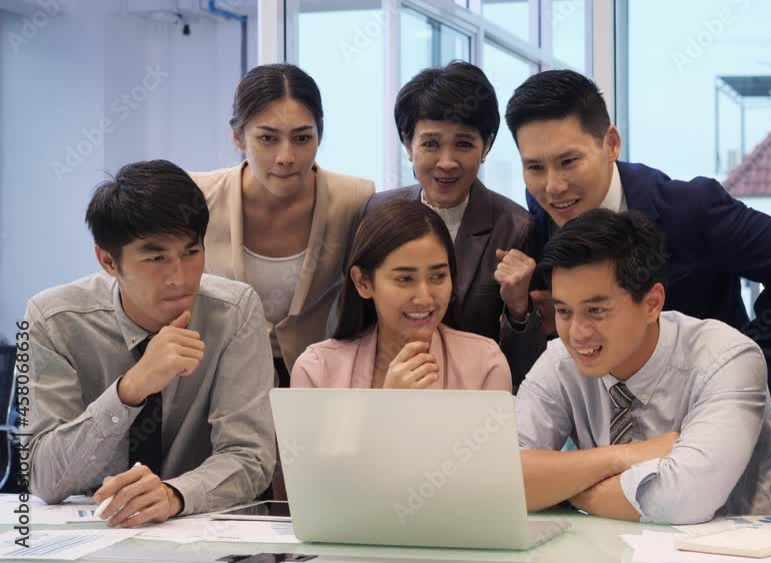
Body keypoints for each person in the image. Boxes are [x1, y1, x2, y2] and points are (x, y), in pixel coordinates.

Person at [503, 69, 771, 387]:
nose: (553, 186)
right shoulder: (541, 211)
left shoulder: (691, 209)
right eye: (535, 167)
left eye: (568, 162)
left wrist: (747, 365)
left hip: (704, 401)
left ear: (611, 144)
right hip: (595, 405)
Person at [25, 160, 275, 526]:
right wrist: (130, 389)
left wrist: (174, 495)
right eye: (157, 258)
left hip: (197, 530)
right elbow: (43, 477)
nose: (180, 277)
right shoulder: (52, 320)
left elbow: (250, 457)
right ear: (108, 261)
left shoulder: (234, 312)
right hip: (91, 529)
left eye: (191, 252)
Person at [516, 208, 771, 525]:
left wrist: (560, 488)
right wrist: (621, 456)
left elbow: (685, 500)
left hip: (731, 545)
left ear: (652, 303)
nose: (576, 333)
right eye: (563, 312)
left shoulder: (725, 358)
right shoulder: (560, 361)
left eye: (596, 311)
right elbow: (501, 479)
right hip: (604, 545)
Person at [189, 63, 374, 388]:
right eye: (268, 138)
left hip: (317, 377)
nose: (286, 156)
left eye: (302, 138)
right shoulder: (199, 197)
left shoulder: (354, 199)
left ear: (319, 135)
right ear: (238, 137)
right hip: (218, 377)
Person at [364, 61, 538, 387]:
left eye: (463, 144)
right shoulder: (376, 213)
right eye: (430, 144)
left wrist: (518, 309)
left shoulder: (516, 228)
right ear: (407, 144)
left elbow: (527, 372)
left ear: (486, 146)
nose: (446, 162)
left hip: (476, 397)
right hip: (387, 387)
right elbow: (354, 321)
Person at [292, 200, 512, 392]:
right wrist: (391, 405)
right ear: (363, 282)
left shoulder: (485, 363)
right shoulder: (317, 369)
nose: (425, 298)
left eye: (438, 276)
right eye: (405, 279)